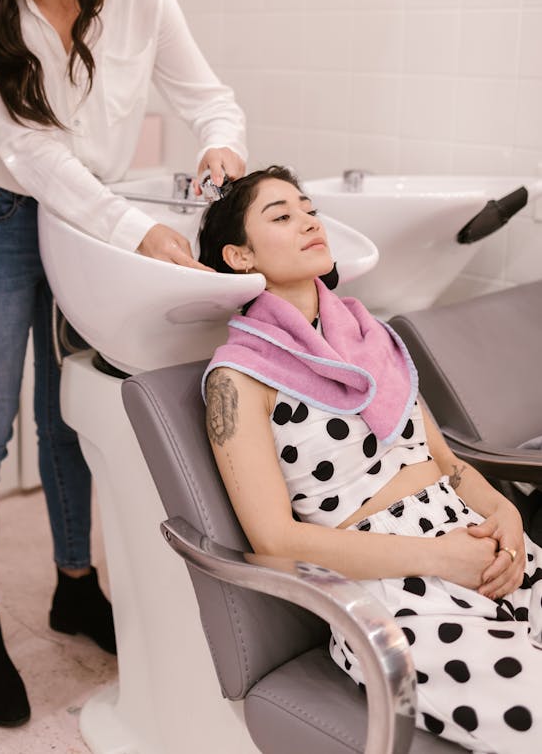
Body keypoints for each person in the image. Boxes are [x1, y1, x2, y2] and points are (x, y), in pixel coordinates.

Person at [0, 0, 246, 728]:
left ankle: (76, 585)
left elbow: (206, 97)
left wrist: (221, 151)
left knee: (70, 414)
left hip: (92, 225)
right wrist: (136, 229)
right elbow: (31, 155)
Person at [198, 166, 542, 753]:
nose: (308, 220)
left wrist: (505, 519)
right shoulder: (238, 379)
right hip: (394, 596)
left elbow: (443, 459)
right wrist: (440, 559)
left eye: (308, 209)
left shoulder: (371, 336)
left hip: (481, 547)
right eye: (281, 216)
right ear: (238, 255)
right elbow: (275, 541)